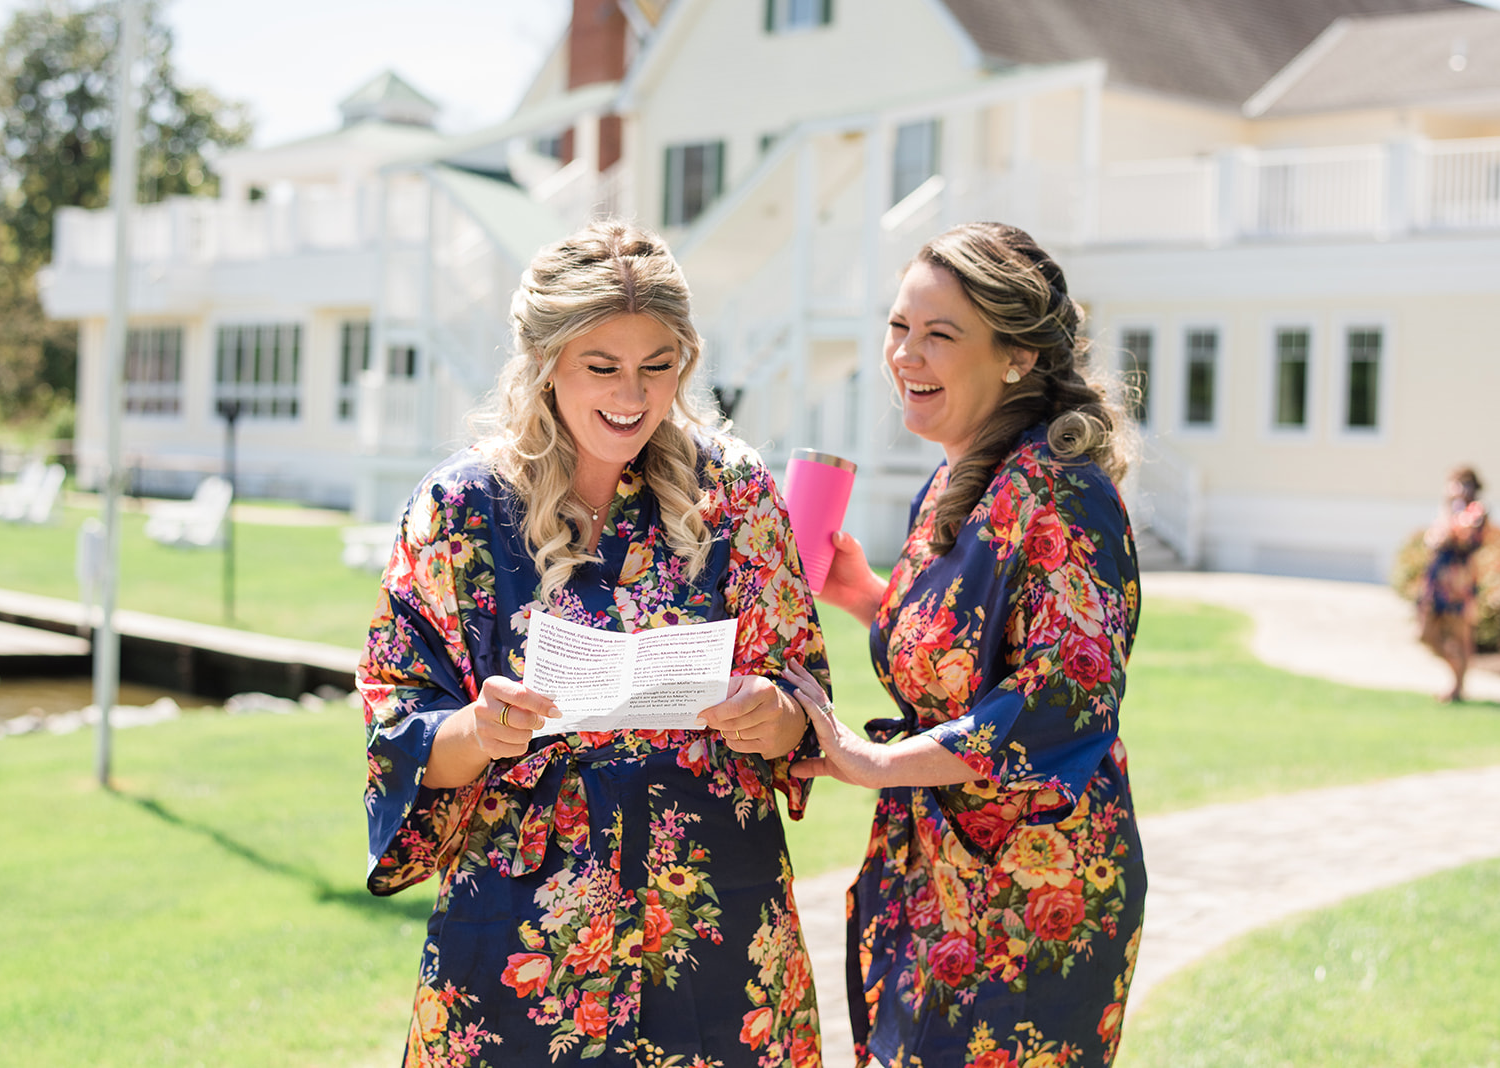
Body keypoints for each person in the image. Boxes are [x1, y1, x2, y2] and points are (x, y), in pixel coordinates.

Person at [359, 220, 829, 1067]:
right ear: (544, 363)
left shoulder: (738, 494)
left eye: (658, 365)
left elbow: (805, 688)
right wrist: (476, 731)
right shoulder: (459, 510)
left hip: (714, 921)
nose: (633, 393)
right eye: (601, 366)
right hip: (522, 938)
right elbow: (396, 721)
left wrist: (779, 715)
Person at [782, 222, 1146, 1067]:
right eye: (899, 326)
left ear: (1015, 355)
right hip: (932, 880)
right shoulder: (956, 480)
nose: (905, 354)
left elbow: (1064, 697)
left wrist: (875, 762)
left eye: (939, 335)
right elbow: (967, 661)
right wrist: (864, 596)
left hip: (1031, 895)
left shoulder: (1063, 495)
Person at [1418, 466, 1488, 702]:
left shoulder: (1476, 511)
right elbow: (1432, 540)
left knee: (1460, 636)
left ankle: (1458, 687)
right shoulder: (1447, 510)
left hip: (1458, 582)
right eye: (1455, 483)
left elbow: (1458, 536)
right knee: (1425, 633)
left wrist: (1447, 529)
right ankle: (1456, 670)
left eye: (1463, 483)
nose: (1458, 488)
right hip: (1437, 579)